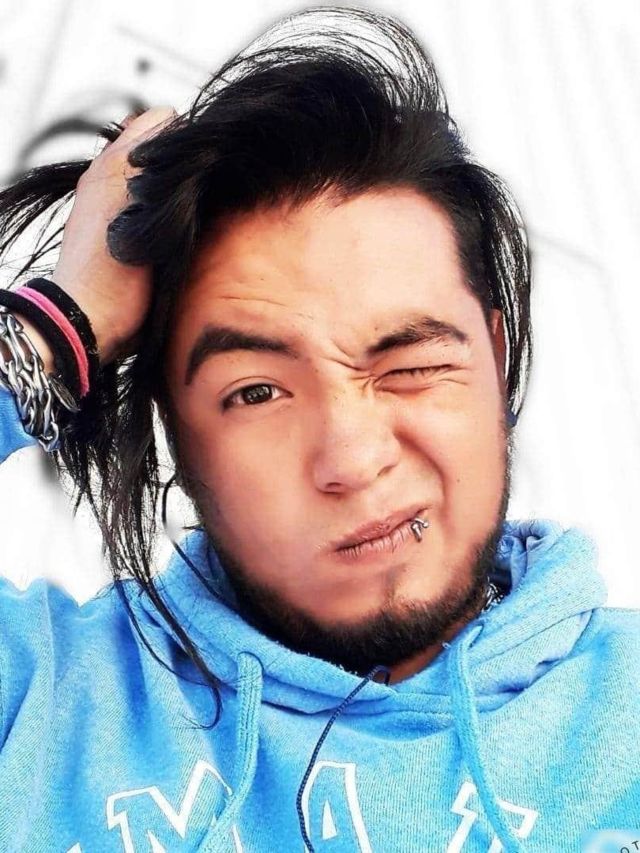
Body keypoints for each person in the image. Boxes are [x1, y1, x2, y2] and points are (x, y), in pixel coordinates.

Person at [0, 6, 638, 852]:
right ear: (177, 436)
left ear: (497, 358)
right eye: (258, 392)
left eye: (410, 365)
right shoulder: (41, 699)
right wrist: (56, 329)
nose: (353, 458)